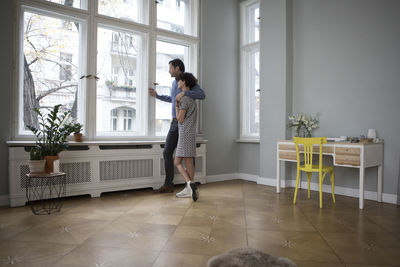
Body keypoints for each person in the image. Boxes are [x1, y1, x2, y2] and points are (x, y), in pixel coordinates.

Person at [149, 59, 205, 193]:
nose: (169, 70)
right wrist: (157, 96)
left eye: (170, 68)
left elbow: (202, 95)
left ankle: (190, 186)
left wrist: (185, 93)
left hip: (186, 123)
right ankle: (169, 184)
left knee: (188, 157)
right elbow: (173, 99)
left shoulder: (188, 81)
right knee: (167, 151)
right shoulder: (175, 84)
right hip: (175, 122)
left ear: (177, 68)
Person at [174, 73, 199, 201]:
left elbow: (180, 119)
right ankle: (190, 187)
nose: (177, 83)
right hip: (191, 133)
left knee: (177, 162)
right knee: (188, 161)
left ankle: (189, 184)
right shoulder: (192, 99)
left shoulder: (184, 99)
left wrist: (176, 105)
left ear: (184, 82)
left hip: (184, 134)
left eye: (179, 81)